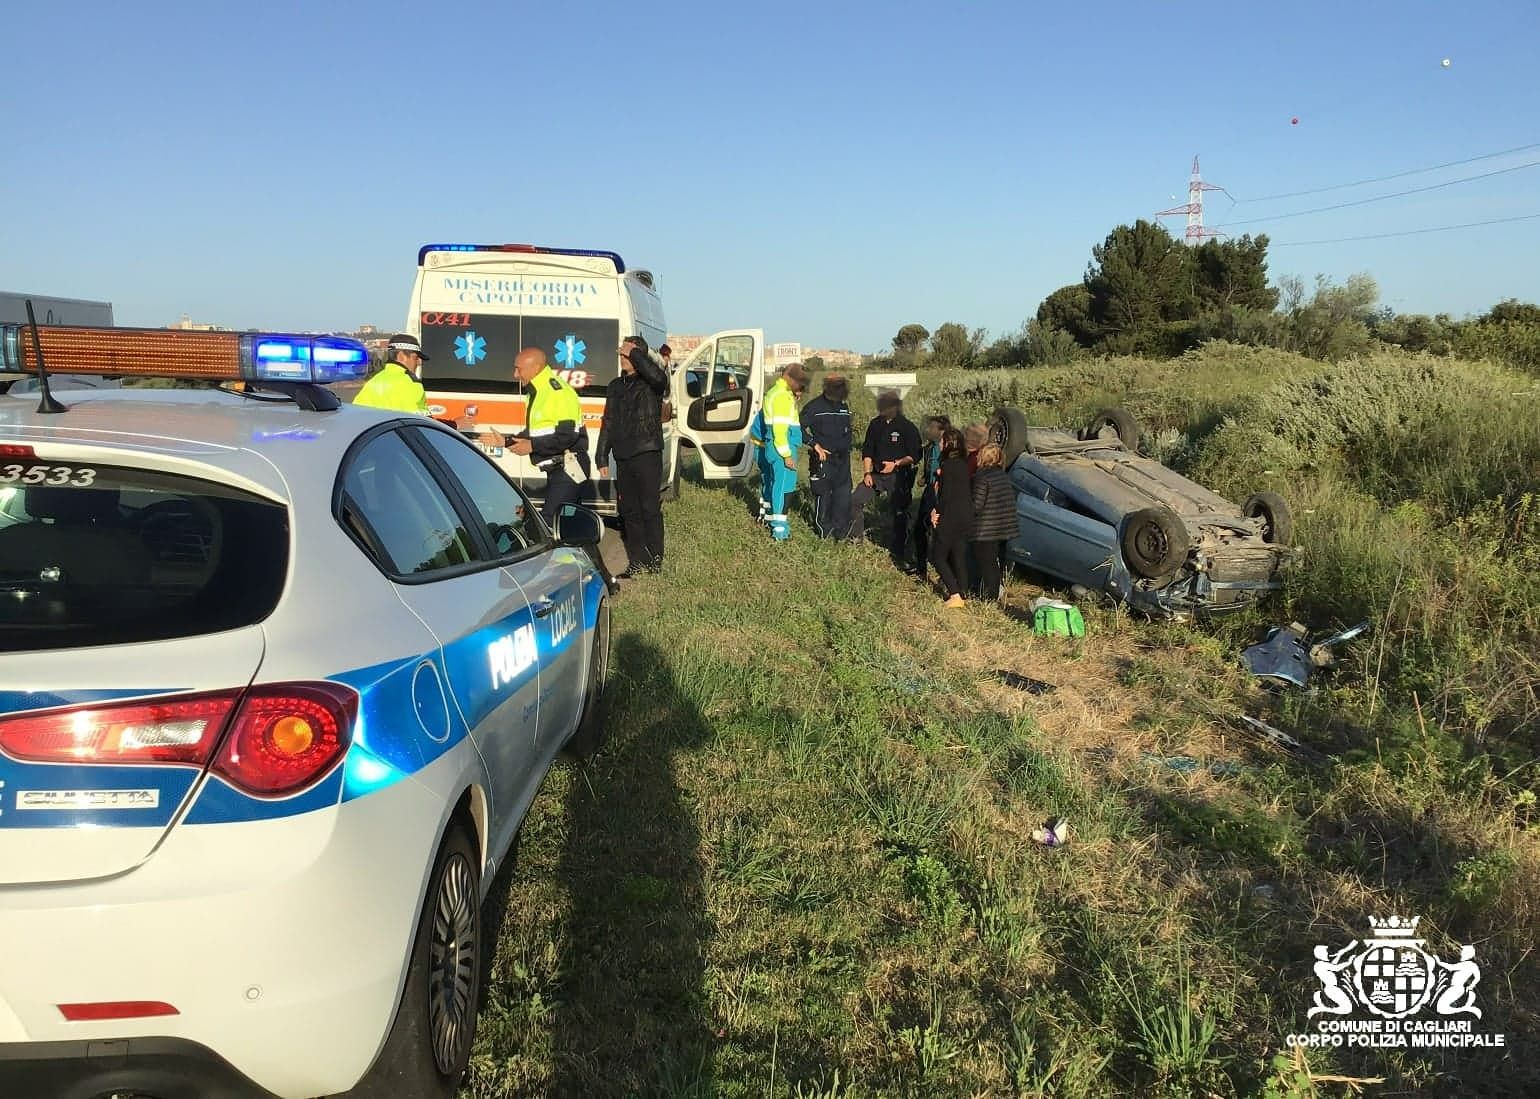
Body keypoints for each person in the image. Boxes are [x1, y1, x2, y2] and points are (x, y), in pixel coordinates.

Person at [476, 348, 591, 529]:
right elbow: (536, 433)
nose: (515, 374)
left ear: (535, 368)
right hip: (558, 469)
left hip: (569, 467)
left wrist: (532, 446)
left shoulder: (557, 392)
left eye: (518, 369)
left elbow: (567, 435)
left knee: (549, 525)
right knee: (570, 527)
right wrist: (506, 441)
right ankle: (582, 556)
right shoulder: (538, 391)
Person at [595, 336, 669, 577]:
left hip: (647, 451)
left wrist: (636, 353)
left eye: (627, 355)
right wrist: (602, 455)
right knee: (629, 511)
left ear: (639, 357)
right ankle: (637, 561)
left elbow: (660, 378)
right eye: (622, 354)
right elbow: (609, 421)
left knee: (649, 508)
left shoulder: (651, 382)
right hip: (623, 454)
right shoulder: (616, 386)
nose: (623, 358)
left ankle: (655, 560)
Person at [848, 392, 921, 562]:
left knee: (899, 511)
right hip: (875, 474)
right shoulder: (875, 425)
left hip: (898, 475)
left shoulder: (907, 427)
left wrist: (895, 464)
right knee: (855, 500)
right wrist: (866, 473)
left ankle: (899, 548)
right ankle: (855, 538)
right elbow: (867, 451)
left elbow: (915, 455)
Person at [759, 363, 809, 542]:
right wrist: (787, 454)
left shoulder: (775, 392)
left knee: (774, 484)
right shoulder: (781, 396)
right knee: (784, 488)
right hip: (782, 447)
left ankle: (769, 519)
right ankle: (780, 531)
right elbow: (780, 429)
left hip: (774, 446)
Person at [799, 374, 854, 539]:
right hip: (824, 460)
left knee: (843, 496)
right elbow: (797, 428)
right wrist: (814, 445)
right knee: (823, 495)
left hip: (843, 460)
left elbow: (848, 430)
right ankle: (825, 534)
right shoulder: (814, 407)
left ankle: (841, 533)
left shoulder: (844, 407)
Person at [929, 427, 974, 608]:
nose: (939, 444)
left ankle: (954, 594)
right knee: (959, 554)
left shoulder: (947, 466)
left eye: (941, 441)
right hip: (966, 514)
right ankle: (963, 592)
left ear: (948, 443)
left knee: (938, 555)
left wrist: (935, 512)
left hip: (951, 515)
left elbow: (945, 496)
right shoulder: (963, 463)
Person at [969, 443, 1016, 602]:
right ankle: (994, 594)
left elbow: (977, 505)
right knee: (995, 564)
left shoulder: (981, 477)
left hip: (985, 528)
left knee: (986, 564)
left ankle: (989, 598)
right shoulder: (1004, 476)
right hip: (1003, 527)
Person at [911, 414, 951, 580]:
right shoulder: (930, 447)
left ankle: (946, 574)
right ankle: (921, 569)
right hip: (930, 492)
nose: (928, 430)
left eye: (933, 427)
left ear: (942, 430)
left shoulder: (951, 448)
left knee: (942, 534)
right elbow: (929, 466)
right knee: (920, 529)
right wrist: (925, 478)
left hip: (944, 494)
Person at [353, 333, 429, 413]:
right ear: (401, 356)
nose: (419, 363)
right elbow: (421, 421)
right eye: (415, 358)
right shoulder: (411, 384)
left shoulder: (374, 382)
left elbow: (356, 415)